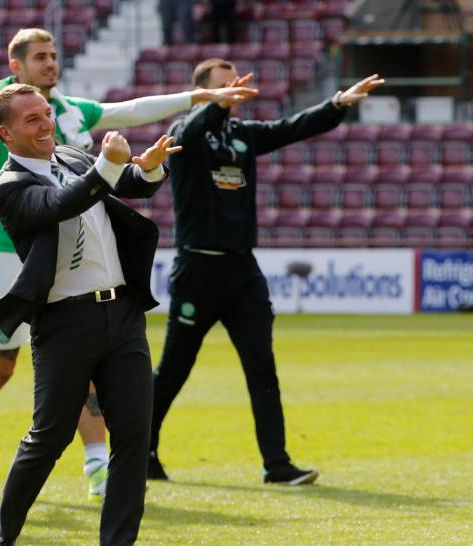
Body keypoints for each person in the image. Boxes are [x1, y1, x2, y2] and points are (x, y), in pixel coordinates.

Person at [0, 27, 257, 500]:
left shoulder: (65, 110)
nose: (50, 63)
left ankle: (95, 469)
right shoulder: (1, 110)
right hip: (11, 250)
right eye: (39, 57)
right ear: (15, 67)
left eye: (52, 55)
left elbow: (131, 110)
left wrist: (198, 95)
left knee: (88, 357)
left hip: (76, 247)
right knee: (1, 367)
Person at [0, 84, 180, 546]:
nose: (46, 124)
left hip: (122, 314)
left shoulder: (71, 154)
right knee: (48, 437)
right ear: (5, 134)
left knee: (133, 433)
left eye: (47, 113)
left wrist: (147, 165)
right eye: (32, 120)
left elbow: (128, 184)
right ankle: (4, 536)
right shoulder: (9, 186)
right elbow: (59, 205)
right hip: (65, 322)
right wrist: (107, 168)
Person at [148, 60, 385, 485]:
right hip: (197, 267)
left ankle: (276, 464)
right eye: (223, 88)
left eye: (236, 86)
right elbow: (192, 130)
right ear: (202, 93)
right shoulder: (184, 136)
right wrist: (216, 104)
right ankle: (142, 450)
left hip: (241, 270)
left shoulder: (242, 136)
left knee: (262, 366)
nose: (235, 93)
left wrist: (336, 103)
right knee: (174, 368)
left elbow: (291, 127)